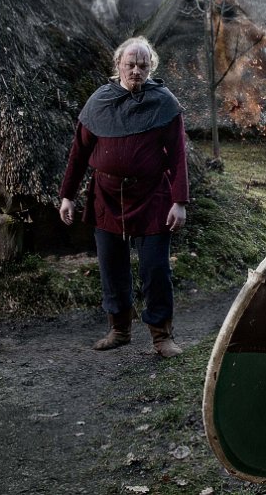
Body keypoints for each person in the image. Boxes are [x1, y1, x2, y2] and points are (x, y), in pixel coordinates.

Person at [59, 36, 189, 358]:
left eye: (143, 65)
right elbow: (79, 153)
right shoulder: (99, 101)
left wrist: (179, 202)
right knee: (111, 266)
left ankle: (162, 336)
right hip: (106, 196)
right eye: (130, 64)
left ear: (151, 67)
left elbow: (177, 155)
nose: (136, 71)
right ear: (118, 64)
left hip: (152, 196)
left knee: (155, 269)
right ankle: (119, 330)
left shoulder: (164, 102)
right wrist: (67, 196)